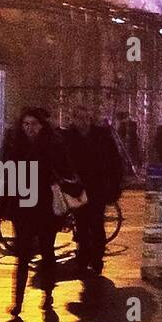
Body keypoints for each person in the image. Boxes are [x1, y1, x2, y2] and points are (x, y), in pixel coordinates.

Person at [0, 108, 82, 317]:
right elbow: (8, 177)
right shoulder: (16, 146)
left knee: (47, 252)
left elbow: (66, 171)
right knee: (23, 255)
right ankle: (17, 302)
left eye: (34, 124)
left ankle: (47, 294)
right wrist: (3, 206)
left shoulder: (53, 145)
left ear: (42, 125)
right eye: (26, 124)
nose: (30, 129)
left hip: (45, 207)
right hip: (22, 207)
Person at [62, 108, 125, 278]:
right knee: (81, 225)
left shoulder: (102, 136)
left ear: (89, 119)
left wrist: (115, 185)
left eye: (85, 118)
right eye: (78, 118)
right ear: (74, 119)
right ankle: (83, 259)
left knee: (97, 224)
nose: (82, 122)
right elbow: (62, 161)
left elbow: (114, 161)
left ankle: (97, 259)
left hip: (98, 188)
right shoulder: (69, 137)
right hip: (78, 189)